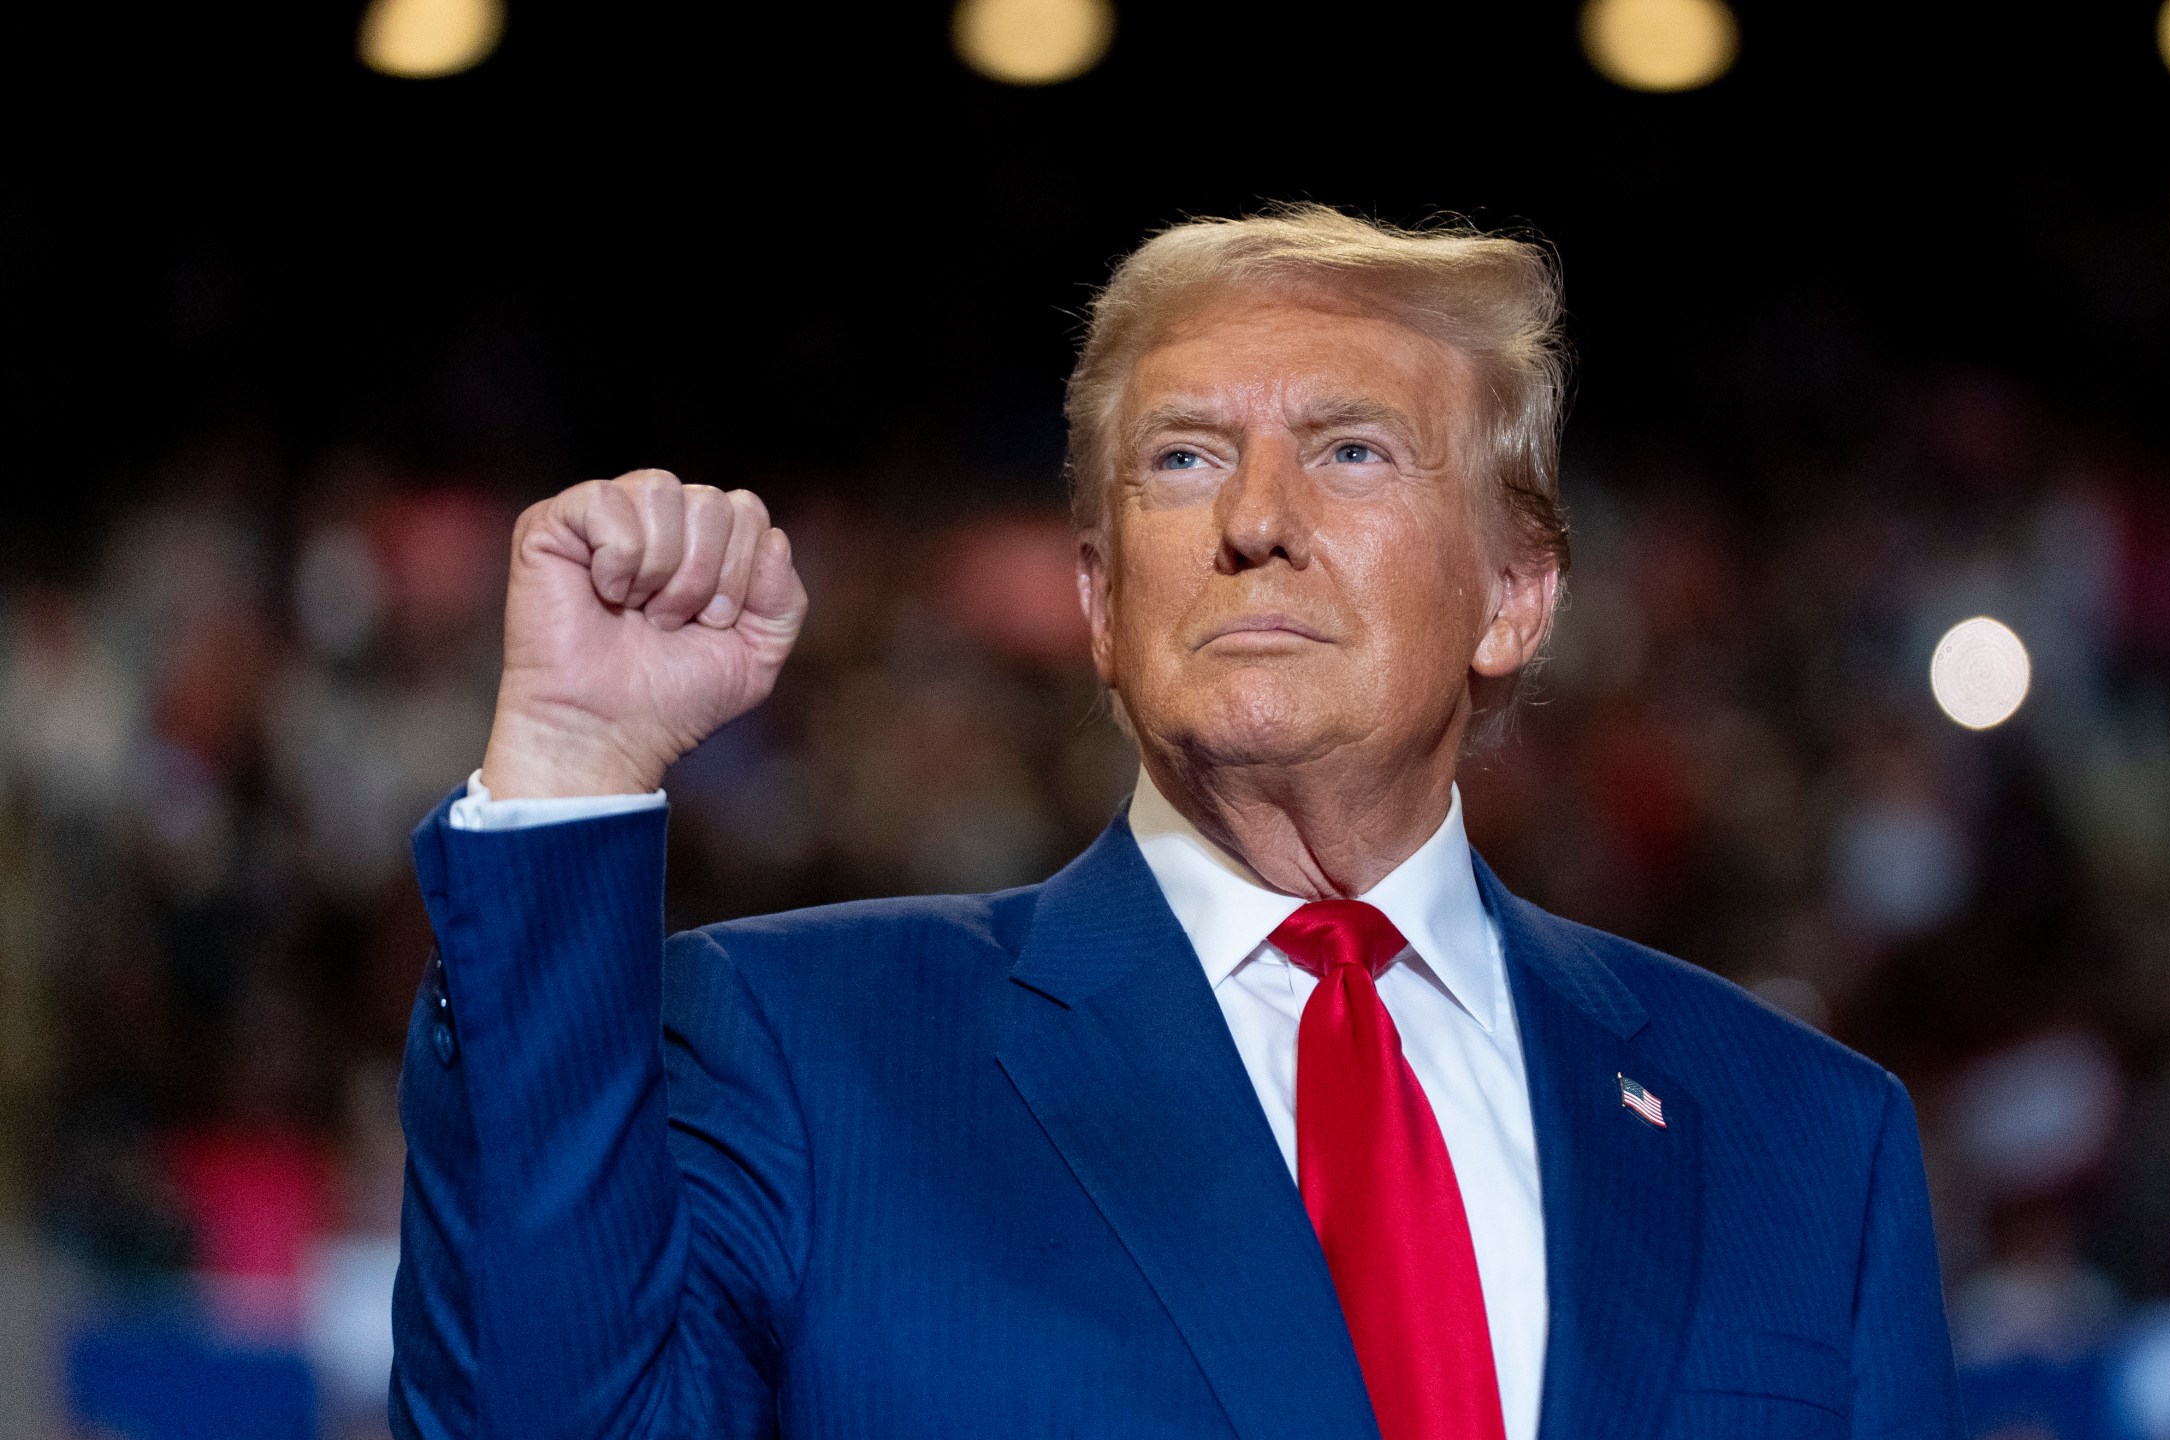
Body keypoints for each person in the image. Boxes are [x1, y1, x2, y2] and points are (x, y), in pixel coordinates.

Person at [393, 206, 1962, 1440]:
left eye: (1350, 450)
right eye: (1184, 458)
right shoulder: (808, 1056)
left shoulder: (1804, 1142)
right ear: (1097, 597)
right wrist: (574, 764)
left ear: (1516, 593)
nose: (1254, 519)